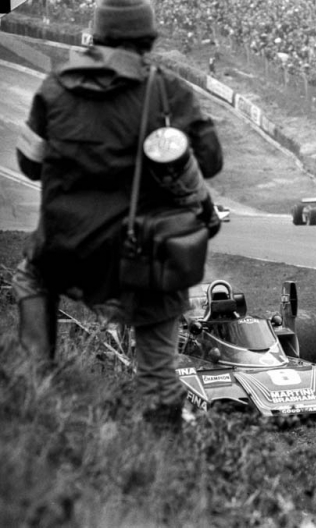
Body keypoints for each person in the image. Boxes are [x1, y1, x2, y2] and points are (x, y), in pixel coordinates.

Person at [11, 0, 224, 434]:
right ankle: (161, 458)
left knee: (30, 278)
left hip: (64, 253)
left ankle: (37, 383)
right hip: (139, 259)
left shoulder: (52, 88)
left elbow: (29, 163)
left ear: (97, 34)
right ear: (146, 39)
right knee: (159, 376)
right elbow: (212, 160)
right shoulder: (166, 90)